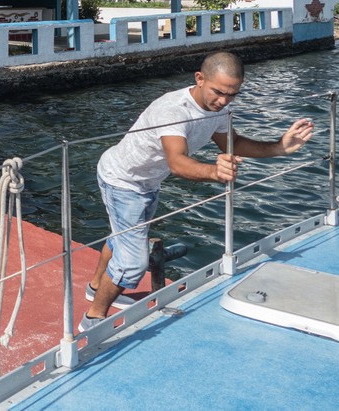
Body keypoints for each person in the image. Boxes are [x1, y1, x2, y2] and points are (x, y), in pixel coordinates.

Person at [80, 51, 315, 332]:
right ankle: (93, 319)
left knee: (124, 237)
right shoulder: (174, 110)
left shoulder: (218, 110)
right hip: (122, 179)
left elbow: (233, 143)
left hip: (149, 181)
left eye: (232, 95)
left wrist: (279, 147)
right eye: (219, 92)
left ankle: (95, 288)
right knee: (132, 262)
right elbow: (177, 162)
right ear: (200, 78)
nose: (224, 101)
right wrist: (215, 172)